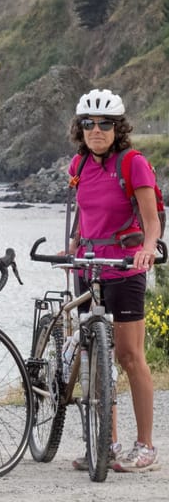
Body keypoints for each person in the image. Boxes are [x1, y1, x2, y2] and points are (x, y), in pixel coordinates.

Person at [67, 88, 160, 473]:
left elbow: (151, 218)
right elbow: (81, 215)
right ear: (81, 128)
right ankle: (107, 442)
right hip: (87, 267)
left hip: (124, 267)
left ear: (118, 128)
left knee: (128, 355)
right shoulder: (78, 166)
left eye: (105, 124)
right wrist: (70, 249)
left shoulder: (132, 163)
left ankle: (146, 447)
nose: (97, 130)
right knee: (93, 356)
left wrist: (149, 247)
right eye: (89, 124)